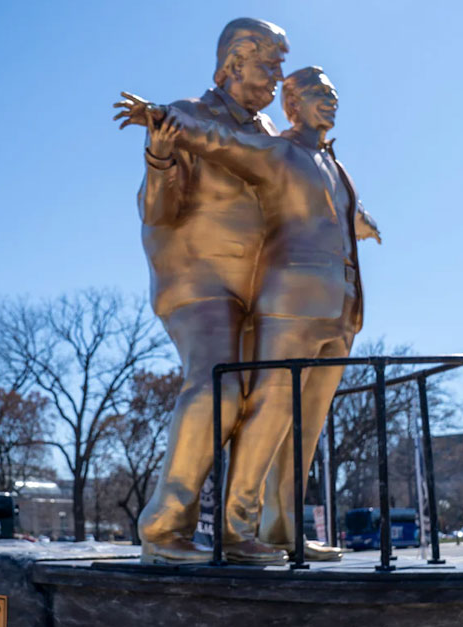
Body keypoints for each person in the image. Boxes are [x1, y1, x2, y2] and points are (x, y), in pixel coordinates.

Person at [126, 67, 381, 560]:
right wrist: (163, 119)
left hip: (342, 307)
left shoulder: (333, 163)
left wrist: (362, 221)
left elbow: (336, 209)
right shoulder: (278, 150)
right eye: (319, 93)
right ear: (292, 105)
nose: (331, 100)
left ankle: (282, 529)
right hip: (287, 301)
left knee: (304, 423)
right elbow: (222, 142)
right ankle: (232, 528)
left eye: (333, 93)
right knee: (267, 408)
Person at [113, 18, 290, 565]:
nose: (278, 76)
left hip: (260, 288)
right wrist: (160, 157)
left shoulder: (270, 132)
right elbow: (156, 212)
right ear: (236, 61)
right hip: (199, 280)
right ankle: (164, 527)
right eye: (269, 63)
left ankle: (241, 531)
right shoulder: (185, 116)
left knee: (267, 398)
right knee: (218, 386)